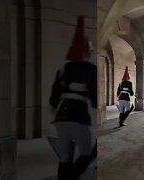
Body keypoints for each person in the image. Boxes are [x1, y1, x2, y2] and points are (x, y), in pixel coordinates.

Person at [49, 16, 97, 180]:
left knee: (64, 158)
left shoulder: (62, 70)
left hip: (60, 117)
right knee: (89, 152)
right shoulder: (90, 69)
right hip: (78, 116)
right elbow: (95, 95)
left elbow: (53, 100)